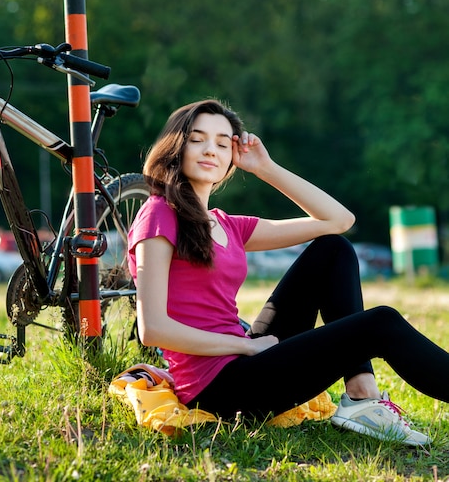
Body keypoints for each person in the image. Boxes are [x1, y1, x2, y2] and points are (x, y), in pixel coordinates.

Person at [127, 99, 449, 446]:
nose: (210, 150)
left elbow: (338, 221)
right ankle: (362, 400)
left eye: (223, 143)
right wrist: (245, 347)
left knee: (333, 249)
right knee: (381, 322)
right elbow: (154, 329)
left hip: (244, 355)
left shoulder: (227, 225)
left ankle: (361, 397)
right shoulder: (160, 213)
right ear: (176, 146)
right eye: (197, 139)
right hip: (218, 387)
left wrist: (265, 168)